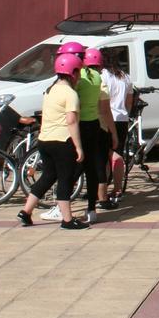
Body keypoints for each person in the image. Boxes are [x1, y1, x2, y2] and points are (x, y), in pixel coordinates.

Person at [17, 53, 88, 230]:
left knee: (48, 177)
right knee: (65, 179)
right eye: (78, 72)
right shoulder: (70, 94)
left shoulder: (51, 90)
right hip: (62, 141)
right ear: (73, 73)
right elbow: (71, 121)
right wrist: (78, 147)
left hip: (45, 140)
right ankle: (67, 220)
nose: (79, 76)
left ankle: (26, 212)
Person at [72, 47, 116, 223]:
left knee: (75, 167)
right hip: (97, 127)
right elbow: (105, 110)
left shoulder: (79, 78)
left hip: (81, 125)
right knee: (95, 168)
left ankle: (62, 203)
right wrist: (113, 133)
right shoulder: (97, 78)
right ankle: (94, 206)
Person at [100, 50, 133, 202]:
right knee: (117, 149)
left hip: (108, 118)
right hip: (122, 118)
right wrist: (126, 113)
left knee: (106, 155)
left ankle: (103, 189)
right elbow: (129, 101)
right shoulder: (126, 77)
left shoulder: (104, 75)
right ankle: (118, 188)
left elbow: (101, 100)